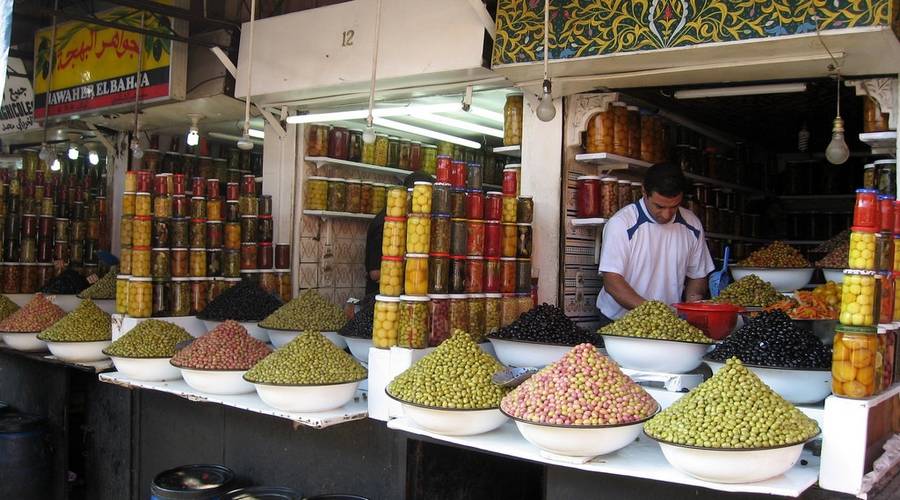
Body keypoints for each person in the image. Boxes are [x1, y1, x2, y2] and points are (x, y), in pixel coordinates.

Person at [596, 163, 714, 325]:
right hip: (619, 320)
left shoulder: (691, 224)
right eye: (659, 206)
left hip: (667, 323)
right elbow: (612, 282)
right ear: (644, 192)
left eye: (674, 207)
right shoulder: (622, 223)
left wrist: (691, 309)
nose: (666, 214)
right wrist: (654, 313)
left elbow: (697, 275)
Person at [364, 170, 435, 295]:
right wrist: (413, 274)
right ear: (412, 195)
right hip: (383, 297)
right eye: (427, 197)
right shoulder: (387, 224)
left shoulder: (409, 222)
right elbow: (375, 273)